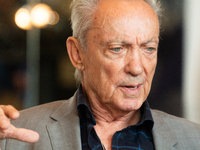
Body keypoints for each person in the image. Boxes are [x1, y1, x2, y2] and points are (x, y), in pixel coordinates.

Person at [0, 0, 200, 149]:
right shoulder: (12, 135)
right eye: (117, 49)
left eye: (149, 48)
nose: (137, 68)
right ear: (77, 54)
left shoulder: (193, 139)